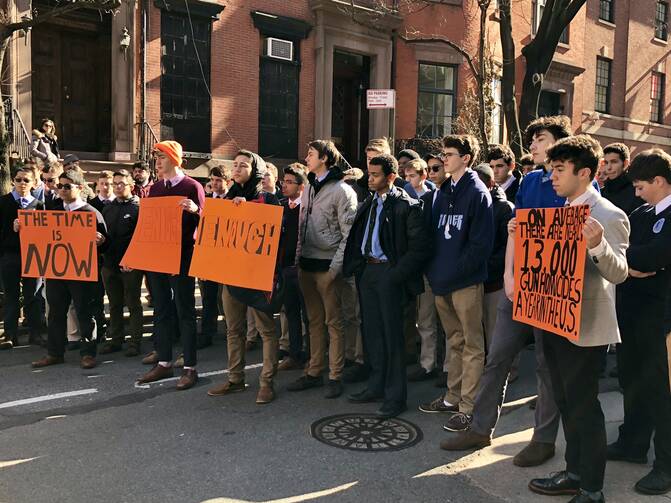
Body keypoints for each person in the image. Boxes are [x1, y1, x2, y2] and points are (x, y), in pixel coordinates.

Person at [439, 116, 576, 466]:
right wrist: (510, 275)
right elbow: (518, 232)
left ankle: (543, 440)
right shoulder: (529, 182)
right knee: (496, 356)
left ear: (561, 142)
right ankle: (480, 428)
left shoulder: (578, 186)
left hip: (553, 289)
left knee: (547, 367)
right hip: (518, 285)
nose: (532, 145)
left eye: (540, 138)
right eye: (531, 140)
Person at [527, 135, 629, 503]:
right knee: (566, 402)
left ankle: (592, 488)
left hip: (587, 328)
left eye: (558, 170)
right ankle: (573, 471)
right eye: (550, 169)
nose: (551, 177)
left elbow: (619, 272)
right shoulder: (558, 212)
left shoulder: (609, 214)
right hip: (554, 321)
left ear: (584, 173)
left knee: (585, 407)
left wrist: (598, 244)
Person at [343, 153, 431, 418]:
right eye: (369, 174)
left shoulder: (407, 205)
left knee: (393, 338)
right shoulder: (370, 202)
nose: (370, 179)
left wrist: (394, 275)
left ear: (391, 177)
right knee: (372, 334)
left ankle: (395, 397)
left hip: (389, 275)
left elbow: (420, 249)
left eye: (376, 175)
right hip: (368, 272)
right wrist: (360, 267)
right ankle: (376, 386)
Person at [419, 134, 493, 433]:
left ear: (466, 158)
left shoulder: (477, 193)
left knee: (473, 345)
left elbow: (480, 247)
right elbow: (434, 238)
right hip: (441, 282)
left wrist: (451, 275)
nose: (444, 158)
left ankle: (468, 406)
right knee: (455, 342)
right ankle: (452, 398)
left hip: (465, 283)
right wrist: (435, 273)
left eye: (450, 154)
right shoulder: (442, 190)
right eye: (444, 153)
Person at [608, 148, 671, 496]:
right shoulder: (643, 212)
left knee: (662, 393)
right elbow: (626, 252)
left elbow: (656, 255)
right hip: (631, 314)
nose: (636, 192)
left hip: (662, 319)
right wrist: (633, 264)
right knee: (631, 382)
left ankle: (666, 464)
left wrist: (633, 261)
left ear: (659, 181)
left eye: (641, 185)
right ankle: (632, 443)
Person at [207, 150, 281, 405]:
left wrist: (247, 210)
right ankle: (235, 378)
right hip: (231, 274)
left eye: (243, 165)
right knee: (233, 329)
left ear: (255, 170)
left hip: (256, 275)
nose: (237, 169)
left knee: (266, 330)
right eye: (235, 165)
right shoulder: (227, 198)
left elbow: (272, 233)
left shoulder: (267, 198)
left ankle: (266, 382)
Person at [288, 140, 358, 399]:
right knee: (314, 322)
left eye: (311, 154)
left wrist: (334, 269)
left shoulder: (342, 191)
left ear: (326, 158)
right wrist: (297, 259)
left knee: (333, 323)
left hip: (328, 267)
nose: (306, 158)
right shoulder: (308, 188)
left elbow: (348, 235)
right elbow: (301, 226)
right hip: (306, 264)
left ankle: (335, 375)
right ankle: (314, 371)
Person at [136, 141, 205, 391]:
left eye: (162, 156)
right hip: (158, 257)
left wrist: (196, 210)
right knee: (162, 309)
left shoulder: (192, 186)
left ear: (175, 159)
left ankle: (190, 368)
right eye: (155, 157)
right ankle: (164, 361)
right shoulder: (154, 189)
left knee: (185, 310)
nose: (157, 161)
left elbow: (207, 222)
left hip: (184, 257)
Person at [31, 169, 108, 370]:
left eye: (67, 186)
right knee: (56, 313)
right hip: (56, 272)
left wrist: (100, 241)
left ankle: (88, 354)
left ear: (80, 188)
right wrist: (20, 226)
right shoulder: (52, 210)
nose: (62, 190)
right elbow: (38, 235)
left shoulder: (91, 213)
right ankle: (55, 353)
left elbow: (107, 245)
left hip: (82, 273)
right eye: (60, 186)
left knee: (85, 312)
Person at [99, 170, 144, 357]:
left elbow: (141, 239)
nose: (117, 187)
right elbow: (106, 235)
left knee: (133, 304)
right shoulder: (107, 208)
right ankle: (116, 340)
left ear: (131, 186)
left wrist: (133, 259)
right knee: (114, 304)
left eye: (121, 184)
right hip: (109, 265)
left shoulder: (139, 208)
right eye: (115, 183)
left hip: (131, 266)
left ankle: (135, 342)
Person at [0, 167, 45, 350]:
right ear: (13, 182)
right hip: (10, 256)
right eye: (18, 180)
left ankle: (35, 333)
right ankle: (10, 334)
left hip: (32, 256)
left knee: (33, 296)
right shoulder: (3, 202)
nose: (22, 184)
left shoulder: (38, 204)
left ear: (34, 183)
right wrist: (11, 230)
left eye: (26, 180)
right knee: (11, 297)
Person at [473, 163, 514, 351]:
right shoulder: (471, 204)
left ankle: (504, 373)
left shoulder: (503, 208)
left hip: (494, 279)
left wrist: (486, 266)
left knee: (495, 331)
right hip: (474, 278)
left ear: (490, 183)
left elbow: (507, 246)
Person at [277, 163, 309, 371]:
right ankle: (294, 354)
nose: (285, 186)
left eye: (290, 182)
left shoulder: (307, 208)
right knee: (291, 313)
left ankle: (312, 357)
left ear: (301, 187)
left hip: (303, 269)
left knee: (309, 315)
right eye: (284, 181)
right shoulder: (280, 207)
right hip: (284, 268)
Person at [601, 142, 643, 215]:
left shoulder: (637, 192)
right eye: (606, 163)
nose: (609, 167)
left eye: (614, 162)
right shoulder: (601, 192)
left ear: (625, 163)